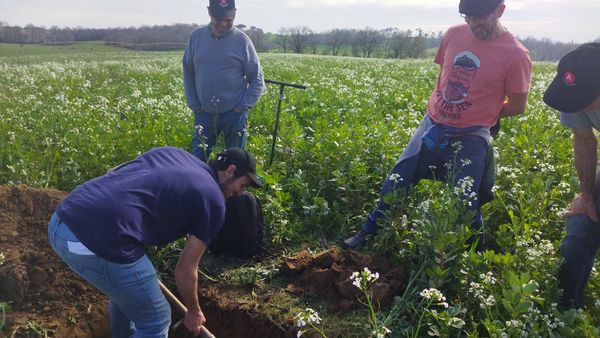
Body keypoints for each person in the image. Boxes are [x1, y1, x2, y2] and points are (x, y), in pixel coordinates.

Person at [344, 0, 532, 250]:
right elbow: (445, 75)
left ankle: (475, 256)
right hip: (432, 125)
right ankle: (368, 232)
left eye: (480, 18)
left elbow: (518, 106)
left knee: (466, 200)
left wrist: (485, 115)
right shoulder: (454, 34)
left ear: (500, 11)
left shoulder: (516, 54)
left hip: (471, 136)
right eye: (467, 17)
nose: (473, 24)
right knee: (397, 179)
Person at [48, 146, 263, 337]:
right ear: (230, 171)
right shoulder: (214, 202)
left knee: (129, 295)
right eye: (243, 185)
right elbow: (185, 269)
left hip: (62, 220)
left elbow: (112, 172)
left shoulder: (173, 153)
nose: (239, 193)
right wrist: (194, 311)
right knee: (156, 320)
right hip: (95, 242)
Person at [543, 42, 600, 309]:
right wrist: (586, 195)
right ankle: (561, 312)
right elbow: (584, 140)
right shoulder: (577, 85)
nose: (584, 108)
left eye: (589, 102)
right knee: (581, 222)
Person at [183, 0, 265, 162]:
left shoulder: (242, 41)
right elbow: (187, 71)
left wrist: (241, 107)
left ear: (234, 13)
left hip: (234, 115)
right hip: (204, 114)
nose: (223, 23)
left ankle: (228, 189)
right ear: (209, 12)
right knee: (197, 161)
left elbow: (257, 79)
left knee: (234, 164)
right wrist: (194, 104)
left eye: (229, 19)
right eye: (218, 18)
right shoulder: (196, 37)